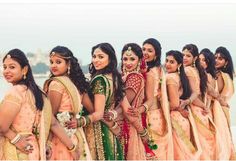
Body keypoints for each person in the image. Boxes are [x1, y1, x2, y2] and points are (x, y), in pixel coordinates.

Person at [0, 49, 79, 160]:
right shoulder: (38, 92)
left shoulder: (16, 92)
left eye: (12, 67)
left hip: (16, 150)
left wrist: (16, 140)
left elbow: (2, 127)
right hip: (34, 150)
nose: (7, 71)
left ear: (24, 69)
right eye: (5, 67)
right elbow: (53, 123)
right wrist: (72, 147)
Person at [43, 46, 92, 160]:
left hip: (60, 138)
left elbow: (51, 118)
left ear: (68, 64)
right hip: (77, 136)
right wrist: (79, 121)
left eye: (58, 62)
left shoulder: (56, 84)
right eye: (51, 62)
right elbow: (92, 110)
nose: (53, 65)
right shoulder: (78, 84)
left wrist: (48, 142)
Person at [83, 43, 124, 160]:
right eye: (94, 56)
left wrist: (79, 121)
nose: (96, 60)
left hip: (97, 131)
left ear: (110, 58)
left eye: (101, 57)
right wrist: (114, 125)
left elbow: (98, 112)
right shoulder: (114, 77)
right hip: (109, 130)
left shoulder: (99, 79)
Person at [182, 44, 217, 160]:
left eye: (188, 55)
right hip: (200, 110)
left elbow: (195, 93)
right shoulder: (197, 70)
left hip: (194, 110)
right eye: (183, 55)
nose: (184, 58)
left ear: (195, 58)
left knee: (198, 146)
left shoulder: (187, 70)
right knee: (204, 145)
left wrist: (202, 105)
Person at [165, 50, 202, 160]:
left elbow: (174, 103)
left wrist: (160, 104)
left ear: (179, 64)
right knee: (184, 153)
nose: (167, 64)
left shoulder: (170, 78)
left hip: (174, 119)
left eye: (172, 62)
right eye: (166, 61)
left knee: (178, 154)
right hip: (182, 118)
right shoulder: (180, 77)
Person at [140, 38, 173, 160]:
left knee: (153, 153)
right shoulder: (159, 69)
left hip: (150, 116)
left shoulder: (150, 73)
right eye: (143, 49)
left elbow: (148, 97)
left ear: (156, 54)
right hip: (159, 115)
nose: (145, 53)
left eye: (150, 50)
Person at [119, 43, 147, 160]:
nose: (128, 62)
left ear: (139, 61)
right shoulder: (126, 76)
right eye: (125, 59)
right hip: (128, 122)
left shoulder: (134, 77)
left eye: (132, 59)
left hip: (129, 125)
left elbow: (126, 106)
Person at [214, 46, 235, 159]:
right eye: (215, 57)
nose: (216, 60)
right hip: (221, 110)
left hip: (218, 112)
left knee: (219, 140)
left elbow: (220, 96)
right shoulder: (227, 76)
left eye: (220, 58)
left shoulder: (222, 76)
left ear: (226, 62)